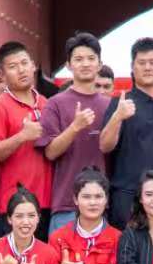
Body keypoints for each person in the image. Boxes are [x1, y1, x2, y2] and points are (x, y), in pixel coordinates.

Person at [99, 37, 153, 229]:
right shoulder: (120, 103)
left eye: (152, 62)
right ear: (132, 67)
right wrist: (118, 117)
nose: (147, 67)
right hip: (127, 197)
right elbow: (105, 145)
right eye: (141, 63)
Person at [39, 32, 111, 234]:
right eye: (78, 59)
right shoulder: (55, 103)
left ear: (99, 64)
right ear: (69, 65)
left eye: (91, 58)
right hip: (66, 205)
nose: (85, 64)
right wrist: (75, 127)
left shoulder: (110, 106)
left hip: (102, 204)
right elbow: (50, 152)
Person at [0, 42, 52, 237]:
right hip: (11, 206)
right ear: (3, 75)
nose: (21, 70)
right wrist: (21, 136)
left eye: (24, 63)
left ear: (33, 65)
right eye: (13, 66)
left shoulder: (46, 104)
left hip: (45, 204)